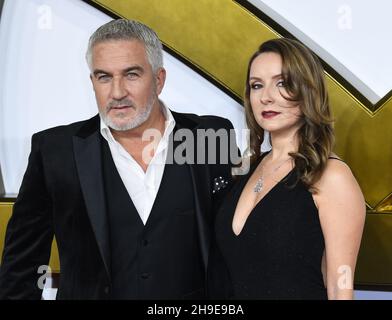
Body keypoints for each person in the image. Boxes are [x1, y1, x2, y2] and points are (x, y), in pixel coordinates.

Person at [0, 19, 238, 299]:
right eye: (104, 77)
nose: (117, 92)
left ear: (159, 79)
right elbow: (22, 266)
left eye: (132, 74)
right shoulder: (55, 150)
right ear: (92, 82)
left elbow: (236, 247)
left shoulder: (210, 135)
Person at [211, 38, 366, 300]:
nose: (266, 97)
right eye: (256, 85)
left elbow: (340, 287)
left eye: (281, 83)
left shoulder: (331, 176)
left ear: (308, 91)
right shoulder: (245, 169)